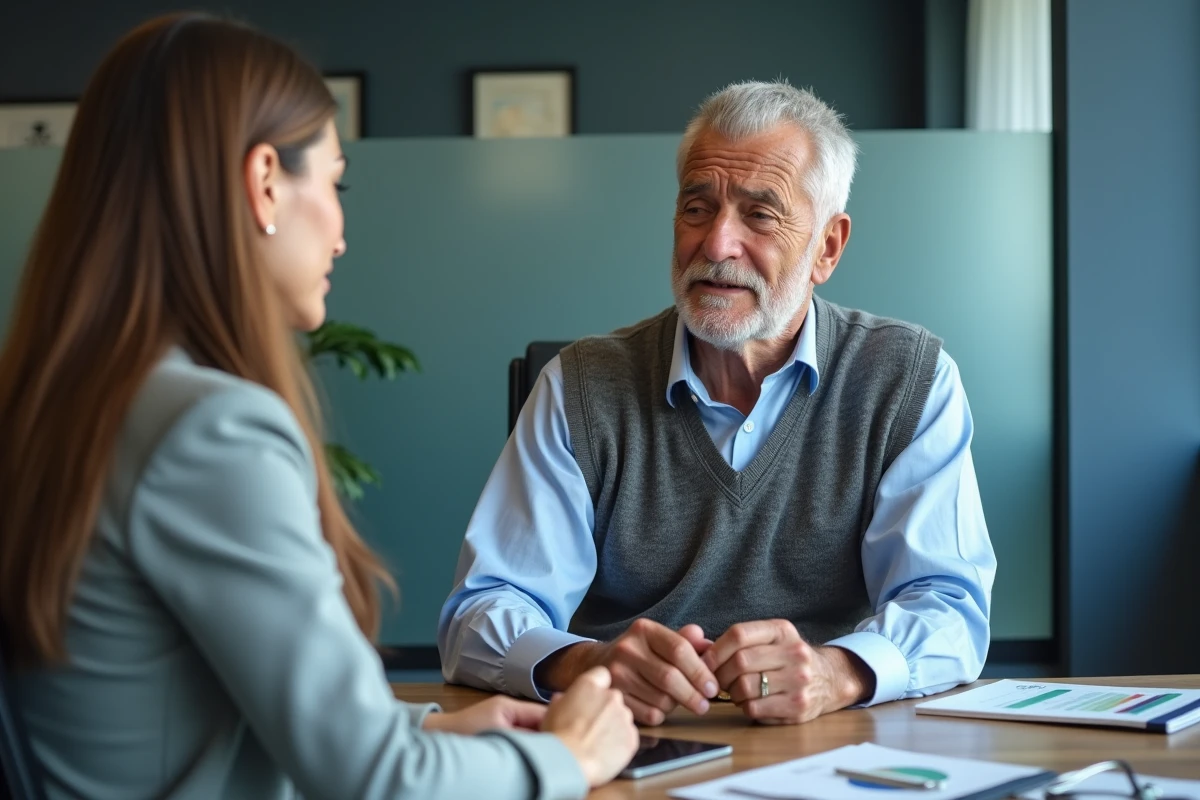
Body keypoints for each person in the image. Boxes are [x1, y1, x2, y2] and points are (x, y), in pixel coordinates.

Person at [0, 14, 637, 800]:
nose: (340, 233)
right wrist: (569, 756)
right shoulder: (208, 430)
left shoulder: (62, 402)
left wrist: (427, 727)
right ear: (265, 181)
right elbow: (374, 783)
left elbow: (192, 709)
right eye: (334, 183)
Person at [439, 80, 997, 727]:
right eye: (697, 209)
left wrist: (837, 672)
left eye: (759, 215)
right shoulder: (580, 387)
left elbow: (947, 605)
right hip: (628, 744)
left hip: (829, 743)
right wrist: (584, 663)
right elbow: (480, 611)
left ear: (828, 248)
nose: (715, 245)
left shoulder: (907, 380)